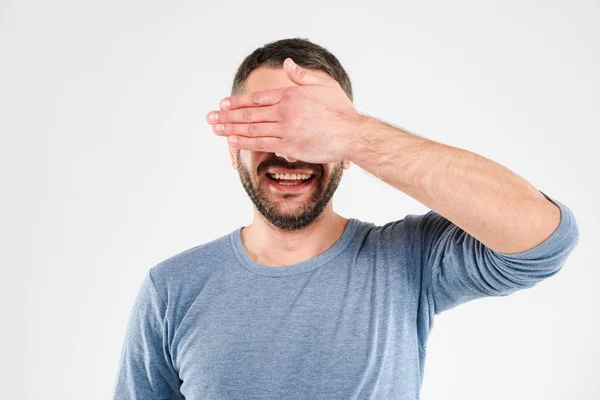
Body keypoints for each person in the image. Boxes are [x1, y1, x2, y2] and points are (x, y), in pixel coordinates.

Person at [112, 38, 580, 400]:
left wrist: (354, 133)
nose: (289, 149)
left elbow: (543, 239)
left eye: (309, 127)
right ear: (233, 145)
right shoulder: (171, 288)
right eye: (265, 123)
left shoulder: (405, 260)